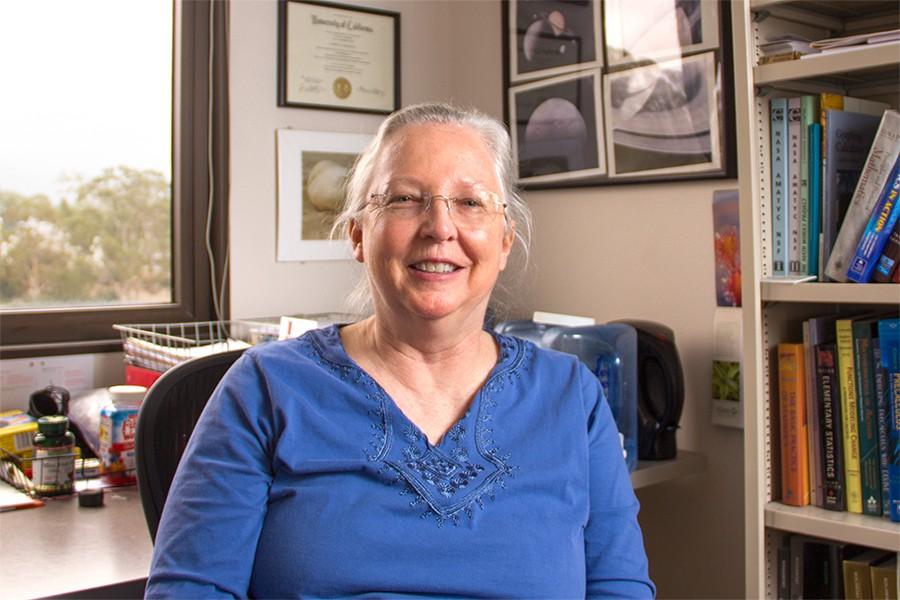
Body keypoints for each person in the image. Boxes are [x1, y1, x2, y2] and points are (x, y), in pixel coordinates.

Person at [146, 102, 655, 598]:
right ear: (358, 235)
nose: (439, 227)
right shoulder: (264, 388)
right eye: (405, 199)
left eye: (471, 202)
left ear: (503, 242)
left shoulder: (573, 397)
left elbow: (619, 586)